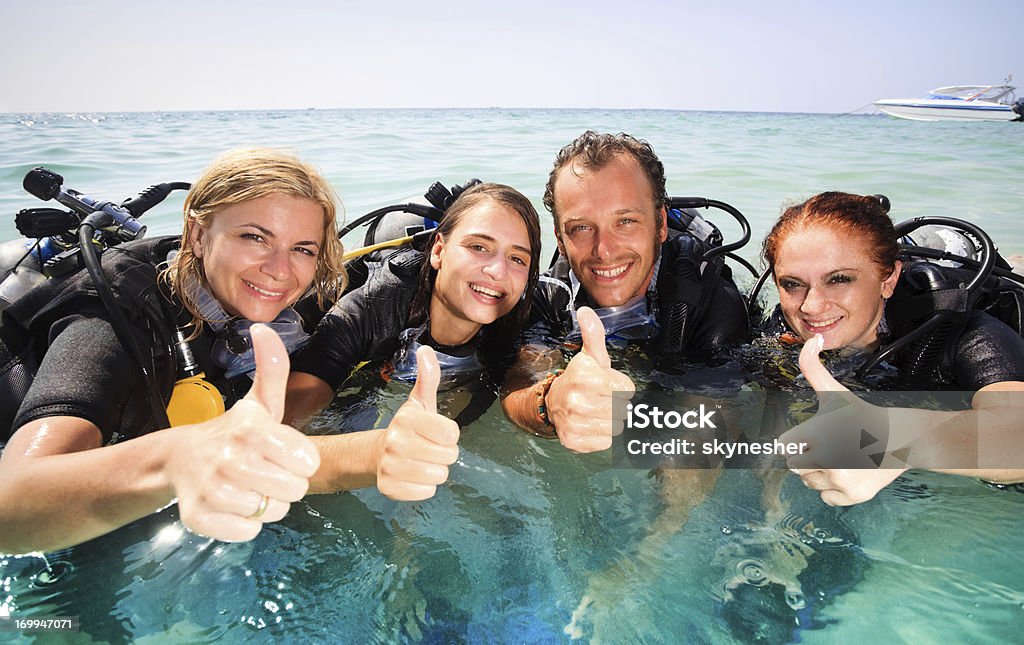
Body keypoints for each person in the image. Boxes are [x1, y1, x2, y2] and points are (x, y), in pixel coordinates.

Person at [0, 148, 450, 554]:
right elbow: (13, 502)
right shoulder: (114, 317)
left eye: (302, 248)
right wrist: (178, 460)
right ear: (197, 234)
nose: (279, 270)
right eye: (254, 237)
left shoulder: (296, 296)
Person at [761, 191, 1024, 505]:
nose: (811, 306)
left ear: (889, 279)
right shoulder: (778, 330)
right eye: (792, 284)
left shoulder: (967, 332)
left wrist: (896, 438)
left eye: (840, 279)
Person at [284, 182, 541, 499]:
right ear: (438, 250)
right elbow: (276, 441)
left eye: (517, 259)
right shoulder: (373, 307)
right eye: (478, 247)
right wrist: (378, 453)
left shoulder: (521, 321)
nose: (497, 270)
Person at [500, 131, 749, 452]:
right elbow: (518, 386)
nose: (604, 250)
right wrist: (550, 402)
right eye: (581, 228)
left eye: (626, 221)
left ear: (660, 224)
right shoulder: (551, 299)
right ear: (560, 240)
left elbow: (713, 420)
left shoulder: (712, 303)